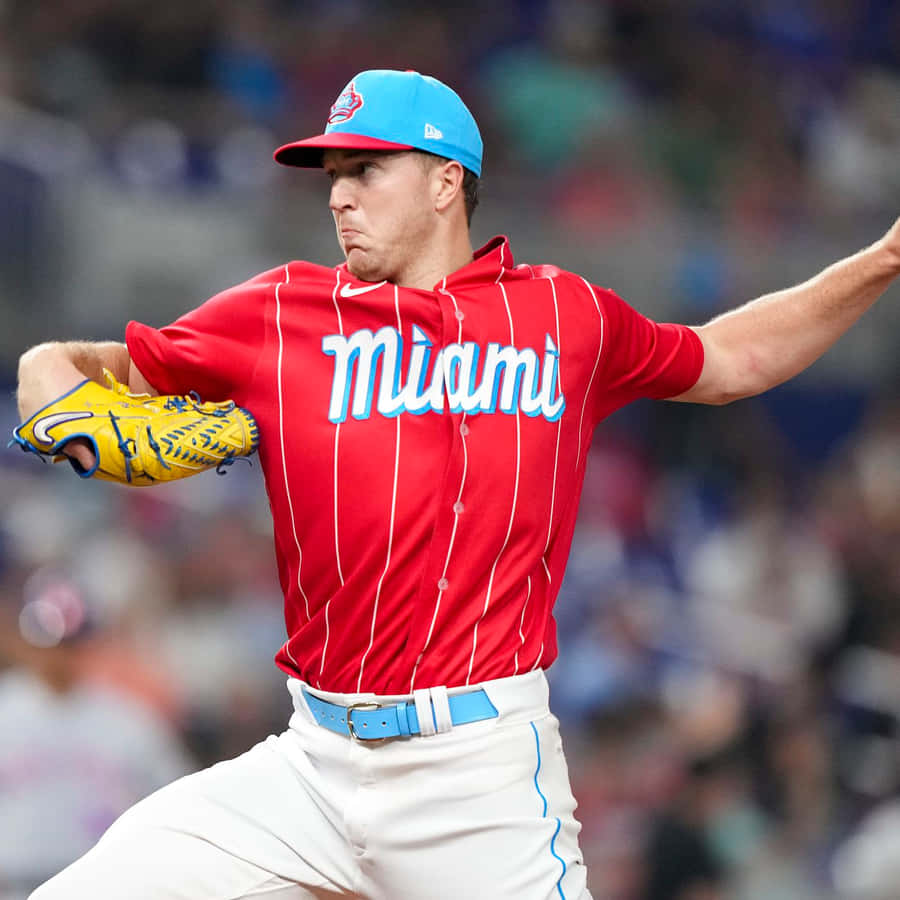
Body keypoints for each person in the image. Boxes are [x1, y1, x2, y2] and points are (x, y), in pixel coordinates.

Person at [14, 69, 900, 900]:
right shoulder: (276, 313)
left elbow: (733, 356)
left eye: (365, 169)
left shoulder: (566, 316)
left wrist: (885, 258)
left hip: (476, 772)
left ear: (445, 181)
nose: (337, 194)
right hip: (310, 764)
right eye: (332, 173)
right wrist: (53, 386)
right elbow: (81, 363)